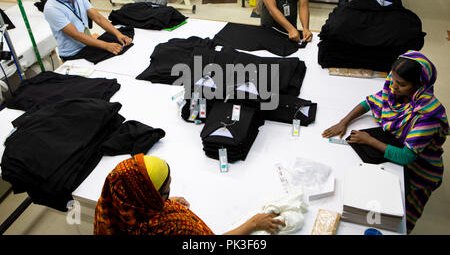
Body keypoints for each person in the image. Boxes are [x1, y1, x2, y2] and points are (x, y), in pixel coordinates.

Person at [322, 51, 449, 234]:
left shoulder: (428, 114)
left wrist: (369, 140)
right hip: (396, 148)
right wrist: (344, 122)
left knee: (398, 218)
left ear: (419, 85)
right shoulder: (394, 87)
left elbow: (406, 157)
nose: (394, 86)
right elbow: (369, 102)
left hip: (420, 171)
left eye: (402, 84)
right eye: (393, 79)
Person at [94, 153, 286, 235]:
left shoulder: (111, 207)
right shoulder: (171, 227)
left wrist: (164, 200)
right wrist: (254, 223)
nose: (170, 189)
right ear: (150, 196)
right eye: (165, 189)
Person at [44, 0, 132, 60]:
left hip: (87, 46)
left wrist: (118, 34)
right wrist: (106, 45)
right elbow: (76, 35)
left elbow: (98, 18)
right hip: (73, 54)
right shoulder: (52, 8)